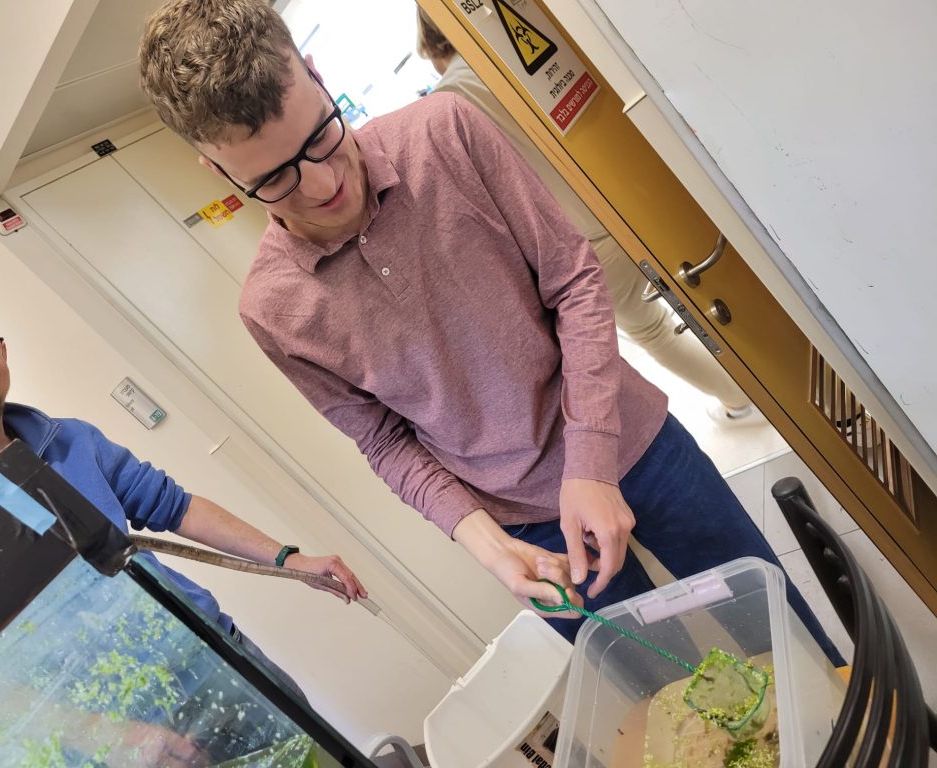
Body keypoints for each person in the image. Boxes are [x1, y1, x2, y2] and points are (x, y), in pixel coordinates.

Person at [137, 0, 841, 665]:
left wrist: (589, 461)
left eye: (322, 136)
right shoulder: (272, 309)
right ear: (218, 170)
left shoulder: (445, 131)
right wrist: (486, 543)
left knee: (784, 634)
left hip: (633, 440)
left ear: (318, 77)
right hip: (523, 527)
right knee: (666, 691)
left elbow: (574, 281)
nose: (322, 186)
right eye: (275, 180)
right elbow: (383, 441)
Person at [0, 285, 368, 704]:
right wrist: (103, 734)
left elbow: (177, 507)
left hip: (214, 652)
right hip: (110, 717)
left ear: (3, 351)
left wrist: (287, 559)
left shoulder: (71, 439)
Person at [415, 9, 759, 426]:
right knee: (721, 282)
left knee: (654, 330)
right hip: (634, 190)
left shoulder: (445, 106)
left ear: (433, 47)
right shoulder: (515, 41)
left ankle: (740, 401)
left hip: (582, 238)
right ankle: (777, 375)